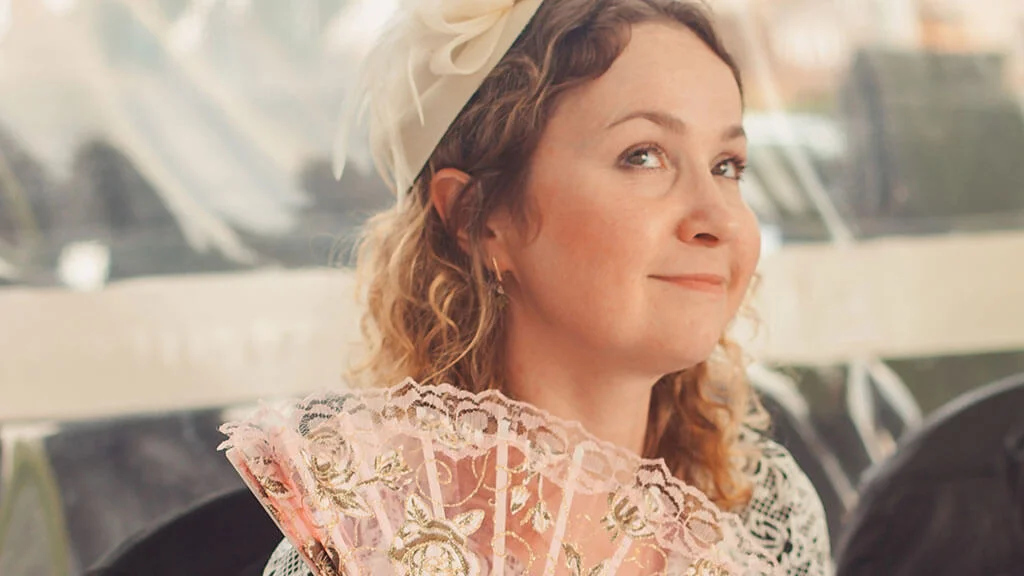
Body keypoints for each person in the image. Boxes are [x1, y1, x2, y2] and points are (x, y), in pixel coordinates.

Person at [263, 0, 832, 573]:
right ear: (477, 218)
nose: (719, 218)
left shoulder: (768, 514)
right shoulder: (359, 544)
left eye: (727, 166)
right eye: (643, 156)